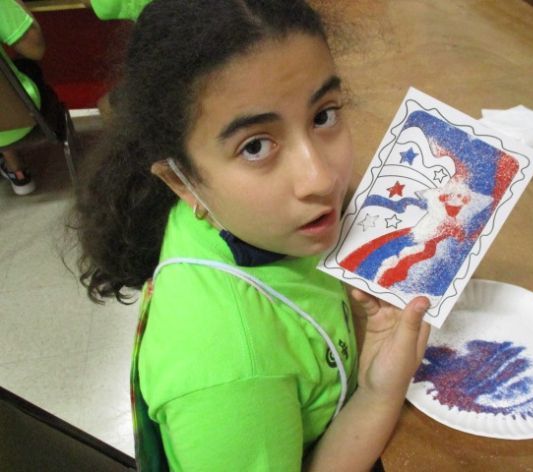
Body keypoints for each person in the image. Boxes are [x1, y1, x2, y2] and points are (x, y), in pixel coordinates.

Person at [72, 0, 431, 470]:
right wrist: (380, 395)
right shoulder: (231, 373)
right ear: (181, 180)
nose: (322, 179)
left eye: (323, 115)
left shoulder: (242, 215)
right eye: (256, 146)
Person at [0, 0, 45, 195]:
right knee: (27, 66)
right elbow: (36, 49)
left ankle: (13, 165)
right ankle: (16, 168)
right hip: (16, 121)